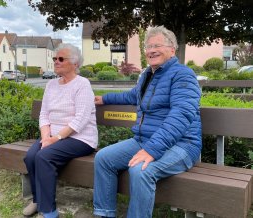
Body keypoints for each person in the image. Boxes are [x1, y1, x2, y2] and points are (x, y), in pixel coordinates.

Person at [93, 26, 202, 218]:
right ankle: (104, 214)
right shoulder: (147, 76)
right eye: (148, 46)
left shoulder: (183, 75)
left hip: (182, 145)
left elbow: (181, 114)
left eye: (157, 45)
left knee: (140, 170)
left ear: (172, 50)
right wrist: (104, 99)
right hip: (145, 140)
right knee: (103, 158)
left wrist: (152, 150)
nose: (151, 50)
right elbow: (133, 96)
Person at [23, 43, 98, 218]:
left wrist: (54, 138)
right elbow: (44, 114)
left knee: (43, 157)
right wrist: (45, 137)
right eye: (55, 58)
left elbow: (80, 120)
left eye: (61, 59)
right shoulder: (51, 85)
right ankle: (37, 200)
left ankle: (49, 211)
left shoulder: (82, 85)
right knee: (31, 156)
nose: (56, 61)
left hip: (81, 138)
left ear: (75, 64)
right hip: (53, 136)